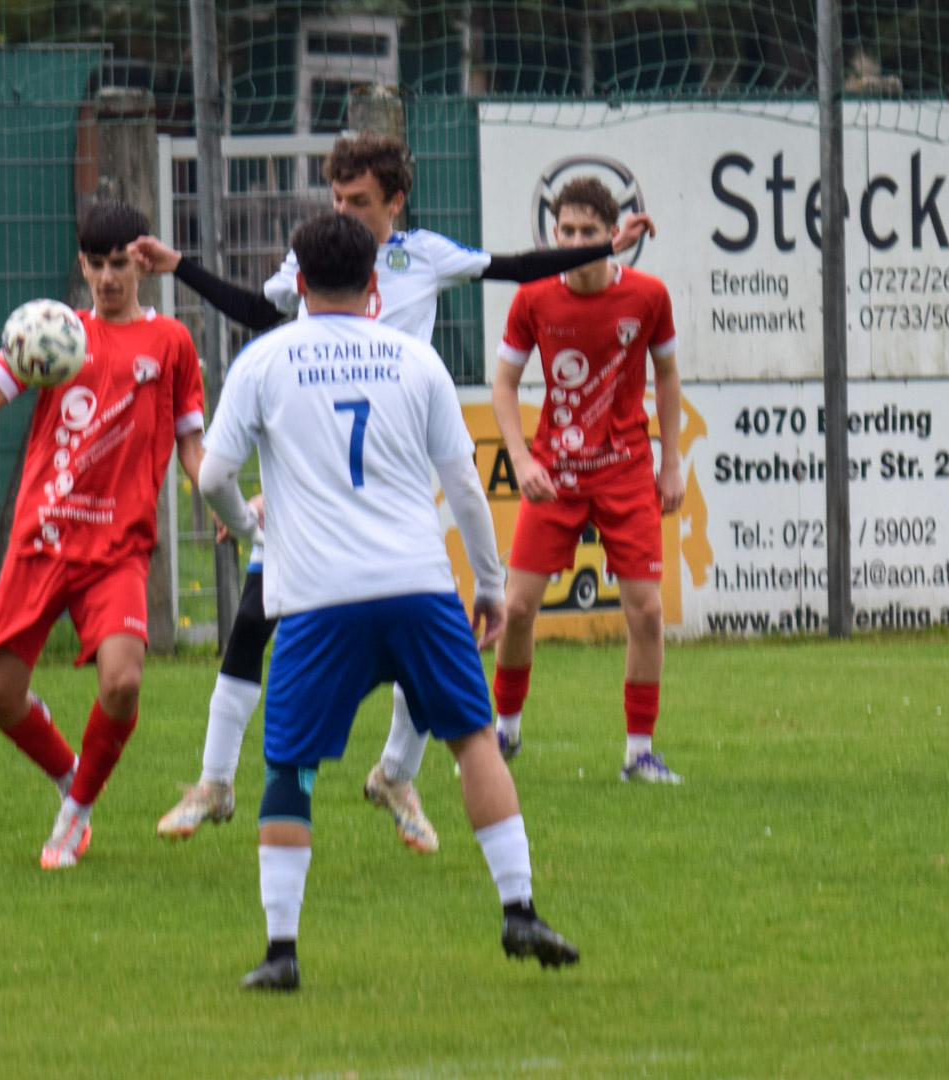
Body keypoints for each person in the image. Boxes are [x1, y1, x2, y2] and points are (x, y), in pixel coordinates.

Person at [136, 133, 656, 851]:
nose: (344, 211)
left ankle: (394, 775)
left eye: (359, 200)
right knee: (252, 623)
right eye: (337, 198)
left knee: (424, 632)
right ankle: (215, 783)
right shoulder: (316, 260)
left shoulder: (425, 257)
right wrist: (181, 267)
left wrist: (603, 249)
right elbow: (260, 312)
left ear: (395, 202)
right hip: (314, 484)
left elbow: (516, 266)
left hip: (394, 482)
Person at [198, 212, 577, 991]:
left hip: (317, 597)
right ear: (375, 284)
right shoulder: (414, 359)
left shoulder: (263, 359)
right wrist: (490, 585)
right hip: (418, 586)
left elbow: (212, 477)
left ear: (298, 282)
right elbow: (464, 485)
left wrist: (247, 523)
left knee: (291, 767)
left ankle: (281, 952)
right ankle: (519, 908)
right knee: (473, 740)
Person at [0, 200, 207, 869]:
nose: (108, 278)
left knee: (123, 682)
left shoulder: (170, 342)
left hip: (117, 550)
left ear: (142, 265)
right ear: (82, 266)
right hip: (43, 539)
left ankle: (75, 815)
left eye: (120, 264)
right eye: (97, 264)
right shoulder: (52, 332)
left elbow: (193, 447)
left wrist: (221, 500)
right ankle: (70, 775)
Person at [491, 177, 685, 783]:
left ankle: (639, 753)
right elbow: (504, 386)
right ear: (554, 234)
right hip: (556, 474)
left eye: (588, 232)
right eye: (567, 231)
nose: (575, 241)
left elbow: (668, 376)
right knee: (517, 608)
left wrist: (671, 461)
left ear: (611, 235)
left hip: (626, 472)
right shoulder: (533, 298)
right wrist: (522, 460)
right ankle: (505, 732)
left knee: (646, 613)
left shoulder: (649, 295)